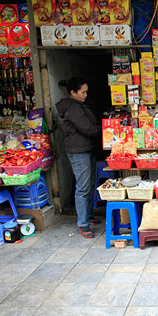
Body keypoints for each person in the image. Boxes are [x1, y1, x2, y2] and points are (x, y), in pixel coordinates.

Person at [56, 77, 101, 238]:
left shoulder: (77, 105)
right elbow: (87, 129)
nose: (86, 95)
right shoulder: (73, 108)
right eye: (83, 92)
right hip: (78, 150)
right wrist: (106, 129)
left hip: (86, 148)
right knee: (83, 187)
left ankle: (88, 216)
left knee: (89, 184)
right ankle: (82, 223)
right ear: (72, 92)